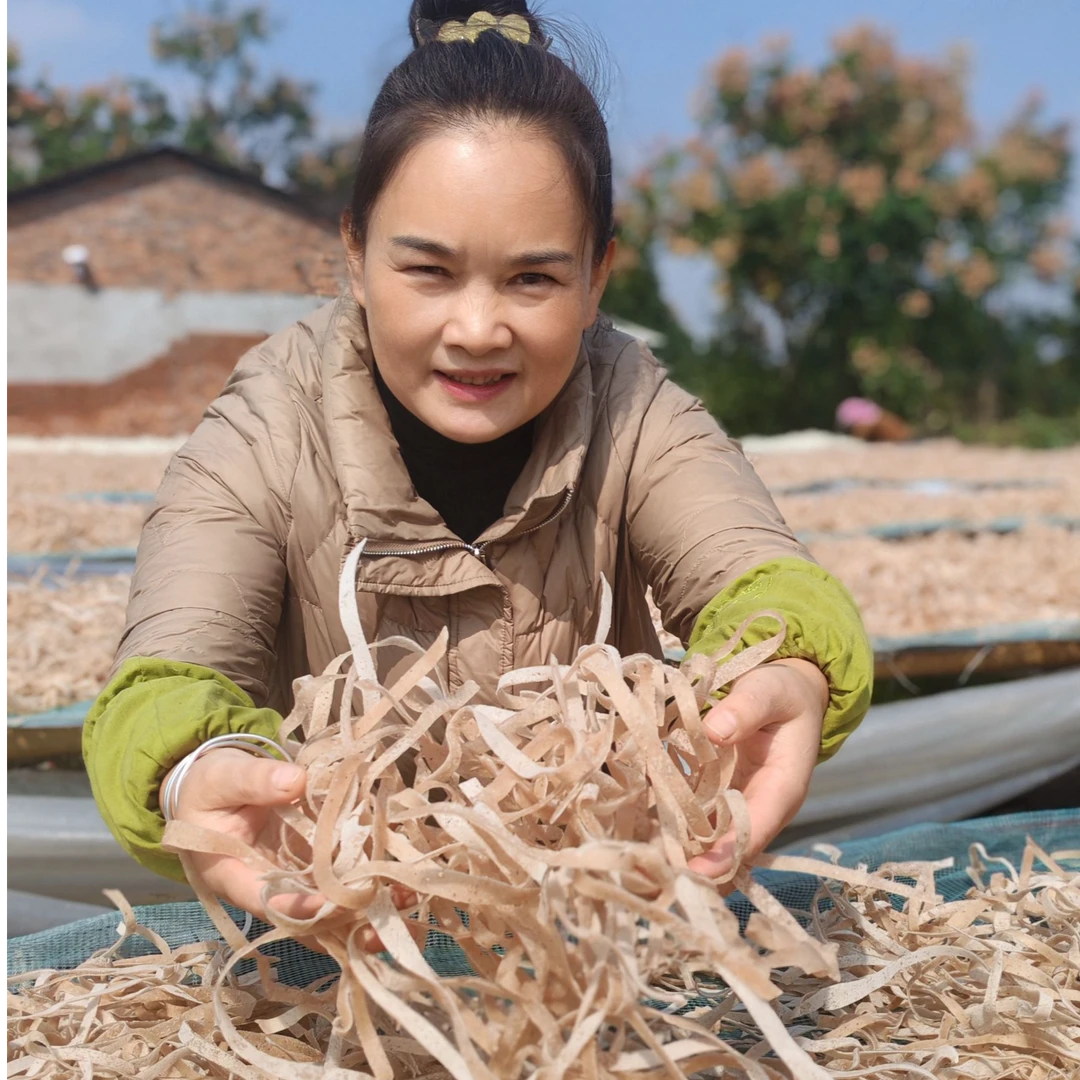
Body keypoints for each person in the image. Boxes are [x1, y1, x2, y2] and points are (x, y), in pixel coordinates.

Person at [83, 0, 873, 925]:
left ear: (597, 277)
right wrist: (192, 769)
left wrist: (788, 668)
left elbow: (762, 579)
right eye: (428, 271)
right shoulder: (264, 429)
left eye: (533, 278)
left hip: (594, 948)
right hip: (342, 951)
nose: (477, 329)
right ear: (354, 254)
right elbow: (169, 677)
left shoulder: (634, 405)